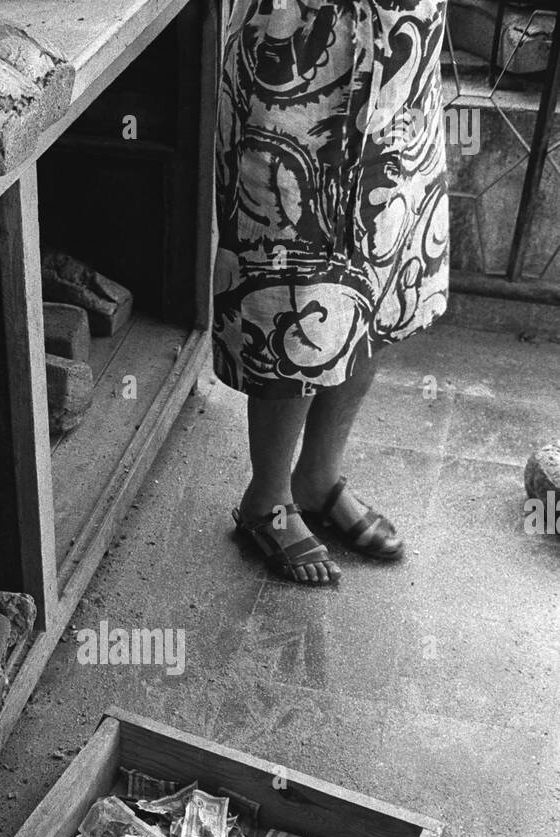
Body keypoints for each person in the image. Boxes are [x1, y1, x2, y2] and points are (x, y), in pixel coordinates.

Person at [214, 1, 449, 585]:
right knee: (295, 278)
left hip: (401, 42)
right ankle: (265, 500)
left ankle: (316, 480)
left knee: (382, 272)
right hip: (298, 44)